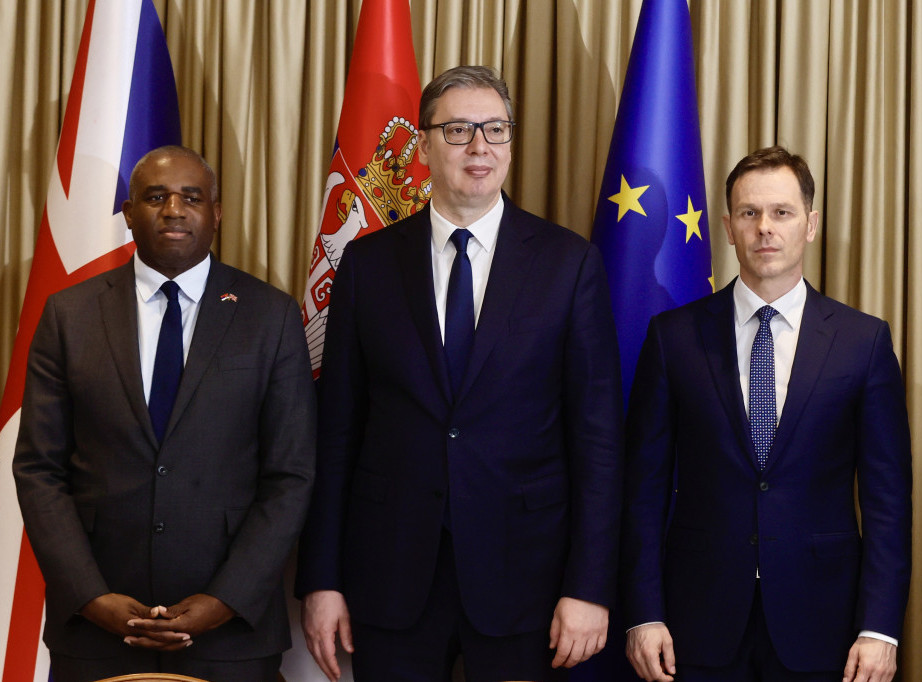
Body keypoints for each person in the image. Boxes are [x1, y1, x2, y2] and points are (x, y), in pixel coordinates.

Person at [296, 65, 623, 681]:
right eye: (458, 130)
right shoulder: (367, 264)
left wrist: (590, 586)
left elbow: (598, 440)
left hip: (526, 578)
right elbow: (336, 432)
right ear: (422, 146)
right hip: (389, 576)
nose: (480, 146)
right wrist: (322, 579)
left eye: (495, 129)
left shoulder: (568, 263)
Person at [13, 145, 316, 682]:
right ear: (129, 214)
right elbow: (39, 469)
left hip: (231, 632)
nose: (174, 210)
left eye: (191, 198)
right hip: (96, 627)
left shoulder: (271, 316)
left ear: (216, 214)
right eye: (156, 197)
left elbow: (290, 474)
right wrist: (90, 595)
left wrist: (226, 598)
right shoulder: (68, 314)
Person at [622, 146, 911, 682]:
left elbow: (887, 501)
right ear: (728, 228)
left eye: (782, 212)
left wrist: (880, 628)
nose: (765, 229)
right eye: (749, 213)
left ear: (810, 225)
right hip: (695, 621)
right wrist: (644, 613)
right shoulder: (673, 338)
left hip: (824, 623)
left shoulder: (863, 341)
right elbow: (643, 490)